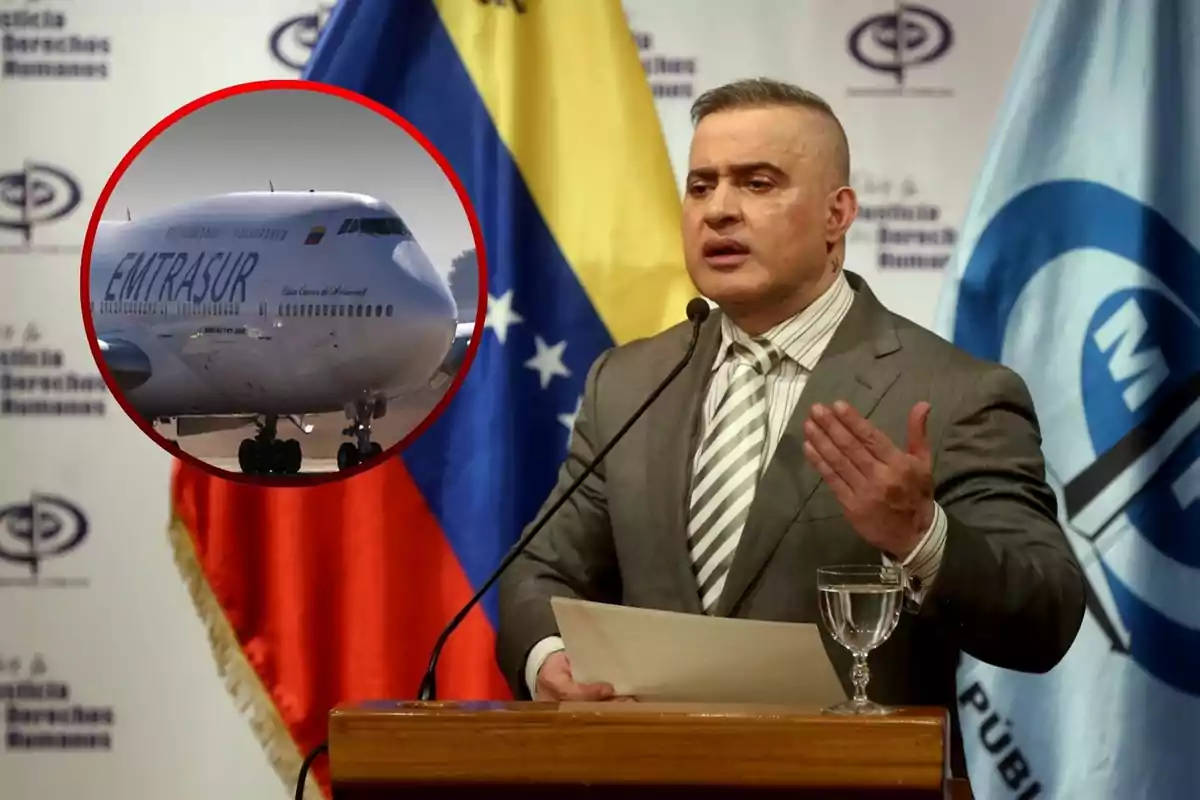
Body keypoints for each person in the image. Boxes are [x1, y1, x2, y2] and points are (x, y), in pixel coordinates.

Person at [494, 77, 1086, 778]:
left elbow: (1046, 613)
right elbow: (539, 572)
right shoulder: (627, 383)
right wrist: (548, 660)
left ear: (838, 214)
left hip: (851, 789)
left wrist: (923, 539)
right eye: (701, 185)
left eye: (757, 183)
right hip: (644, 780)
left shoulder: (954, 394)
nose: (719, 210)